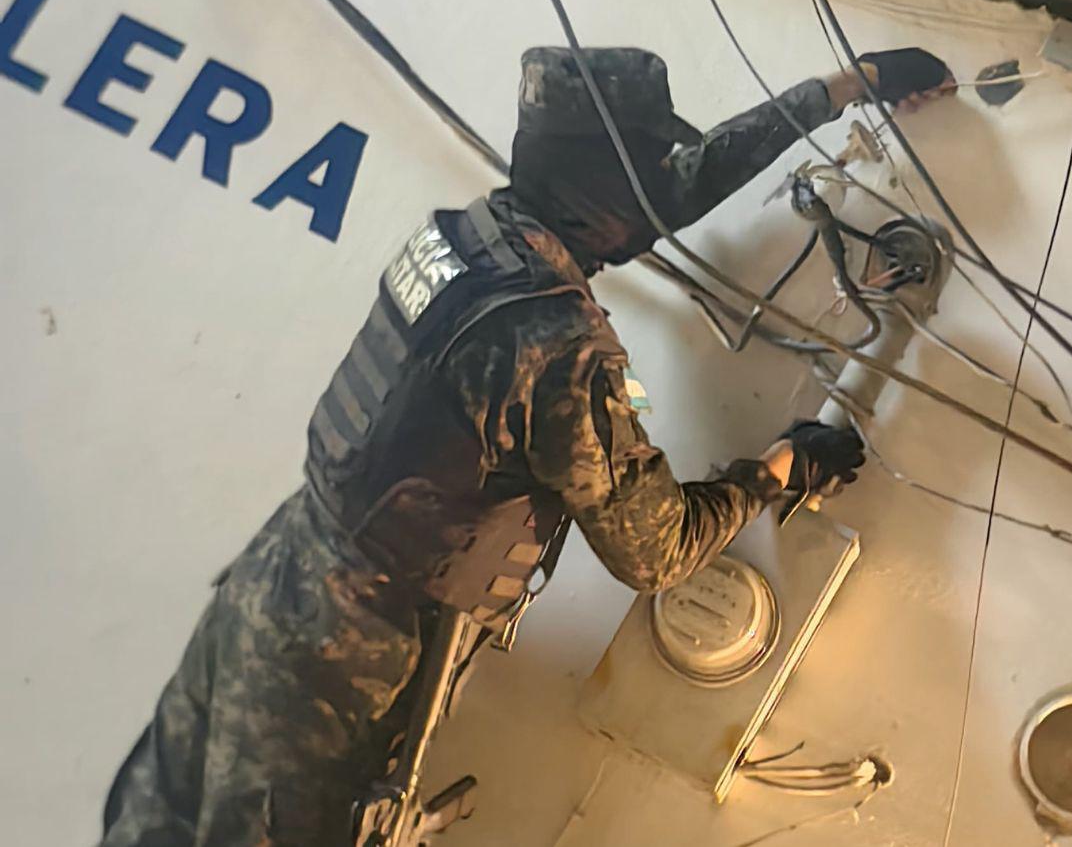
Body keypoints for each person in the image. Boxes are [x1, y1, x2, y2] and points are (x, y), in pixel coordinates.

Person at [99, 45, 955, 847]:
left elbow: (671, 194)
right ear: (600, 183)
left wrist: (845, 86)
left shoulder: (472, 233)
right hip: (349, 662)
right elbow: (655, 550)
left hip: (272, 587)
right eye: (646, 171)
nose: (663, 191)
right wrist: (779, 469)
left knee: (150, 822)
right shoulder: (553, 342)